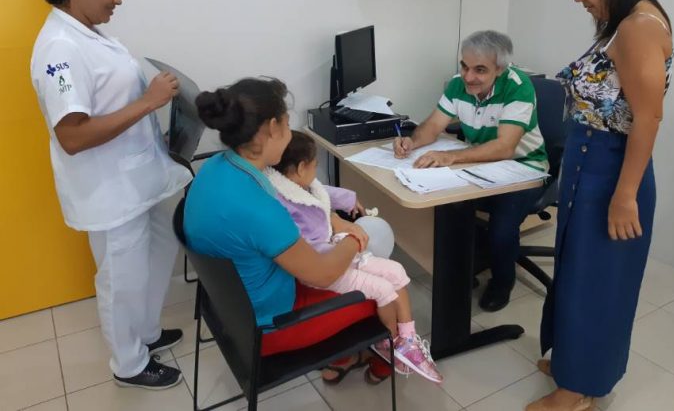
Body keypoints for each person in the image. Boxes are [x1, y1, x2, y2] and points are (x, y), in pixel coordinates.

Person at [30, 0, 193, 389]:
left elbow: (111, 102)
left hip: (140, 177)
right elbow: (72, 136)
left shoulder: (90, 34)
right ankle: (129, 363)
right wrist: (149, 102)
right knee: (122, 277)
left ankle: (147, 333)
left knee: (157, 254)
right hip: (110, 191)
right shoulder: (60, 50)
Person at [527, 0, 673, 411]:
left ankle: (578, 389)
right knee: (577, 272)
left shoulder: (639, 28)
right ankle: (572, 364)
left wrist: (625, 194)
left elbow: (648, 118)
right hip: (589, 165)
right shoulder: (622, 21)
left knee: (598, 283)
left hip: (612, 172)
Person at [183, 77, 385, 385]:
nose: (290, 135)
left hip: (229, 311)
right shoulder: (259, 208)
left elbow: (292, 204)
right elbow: (323, 274)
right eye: (288, 125)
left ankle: (340, 358)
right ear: (273, 127)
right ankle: (381, 362)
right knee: (387, 290)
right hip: (270, 328)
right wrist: (354, 237)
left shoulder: (216, 168)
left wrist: (332, 218)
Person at [265, 130, 443, 383]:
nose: (316, 171)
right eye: (315, 165)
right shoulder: (283, 203)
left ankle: (408, 340)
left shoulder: (292, 185)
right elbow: (311, 254)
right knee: (384, 289)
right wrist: (348, 243)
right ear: (302, 167)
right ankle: (388, 345)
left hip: (334, 253)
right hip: (323, 266)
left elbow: (320, 191)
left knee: (397, 271)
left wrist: (348, 200)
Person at [393, 30, 549, 312]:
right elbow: (433, 126)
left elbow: (505, 147)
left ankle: (503, 281)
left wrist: (450, 157)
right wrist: (412, 142)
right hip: (479, 165)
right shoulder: (458, 84)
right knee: (448, 209)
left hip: (524, 169)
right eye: (464, 66)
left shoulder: (518, 86)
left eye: (480, 70)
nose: (468, 76)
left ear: (500, 69)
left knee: (501, 228)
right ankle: (462, 270)